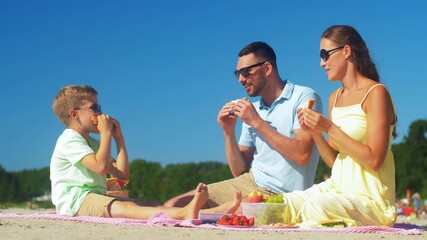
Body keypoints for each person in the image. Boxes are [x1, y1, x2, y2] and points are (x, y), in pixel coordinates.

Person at [164, 41, 322, 208]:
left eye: (246, 72)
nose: (241, 79)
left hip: (283, 195)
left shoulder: (304, 97)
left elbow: (302, 155)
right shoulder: (252, 109)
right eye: (237, 73)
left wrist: (256, 122)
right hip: (249, 183)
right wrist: (228, 132)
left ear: (267, 68)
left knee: (216, 213)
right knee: (175, 204)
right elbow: (239, 171)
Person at [50, 85, 240, 219]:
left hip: (94, 197)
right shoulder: (69, 139)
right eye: (95, 108)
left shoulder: (91, 142)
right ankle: (183, 214)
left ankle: (211, 213)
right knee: (128, 207)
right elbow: (100, 167)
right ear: (74, 114)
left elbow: (122, 177)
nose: (100, 113)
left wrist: (119, 138)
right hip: (76, 202)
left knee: (148, 204)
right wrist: (106, 134)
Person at [289, 25, 397, 226]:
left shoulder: (376, 93)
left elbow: (375, 160)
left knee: (316, 206)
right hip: (338, 191)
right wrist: (315, 132)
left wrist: (330, 128)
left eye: (325, 54)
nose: (322, 63)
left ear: (346, 51)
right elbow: (335, 161)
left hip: (370, 201)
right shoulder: (334, 98)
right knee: (286, 204)